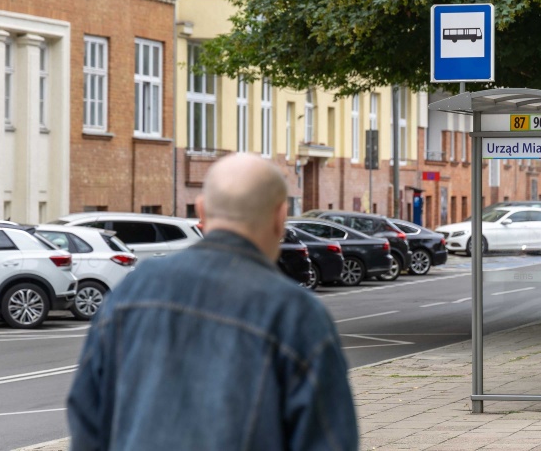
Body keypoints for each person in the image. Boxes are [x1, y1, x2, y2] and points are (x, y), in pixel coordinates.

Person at [67, 153, 358, 451]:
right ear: (280, 216)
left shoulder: (133, 291)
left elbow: (86, 417)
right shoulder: (297, 315)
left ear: (202, 212)